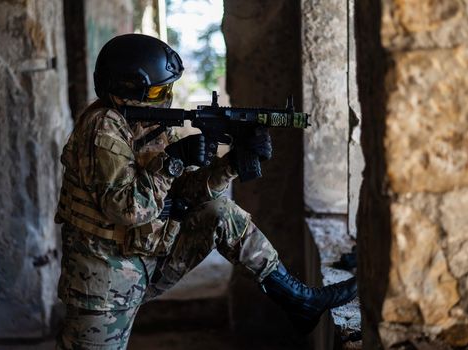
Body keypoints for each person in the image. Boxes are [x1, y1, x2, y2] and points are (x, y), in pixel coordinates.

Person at [55, 33, 356, 350]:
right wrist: (173, 160)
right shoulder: (102, 127)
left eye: (168, 88)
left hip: (147, 257)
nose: (166, 97)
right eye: (158, 90)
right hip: (103, 280)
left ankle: (298, 299)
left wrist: (232, 165)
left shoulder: (146, 124)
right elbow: (128, 209)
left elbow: (185, 194)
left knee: (220, 213)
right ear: (127, 89)